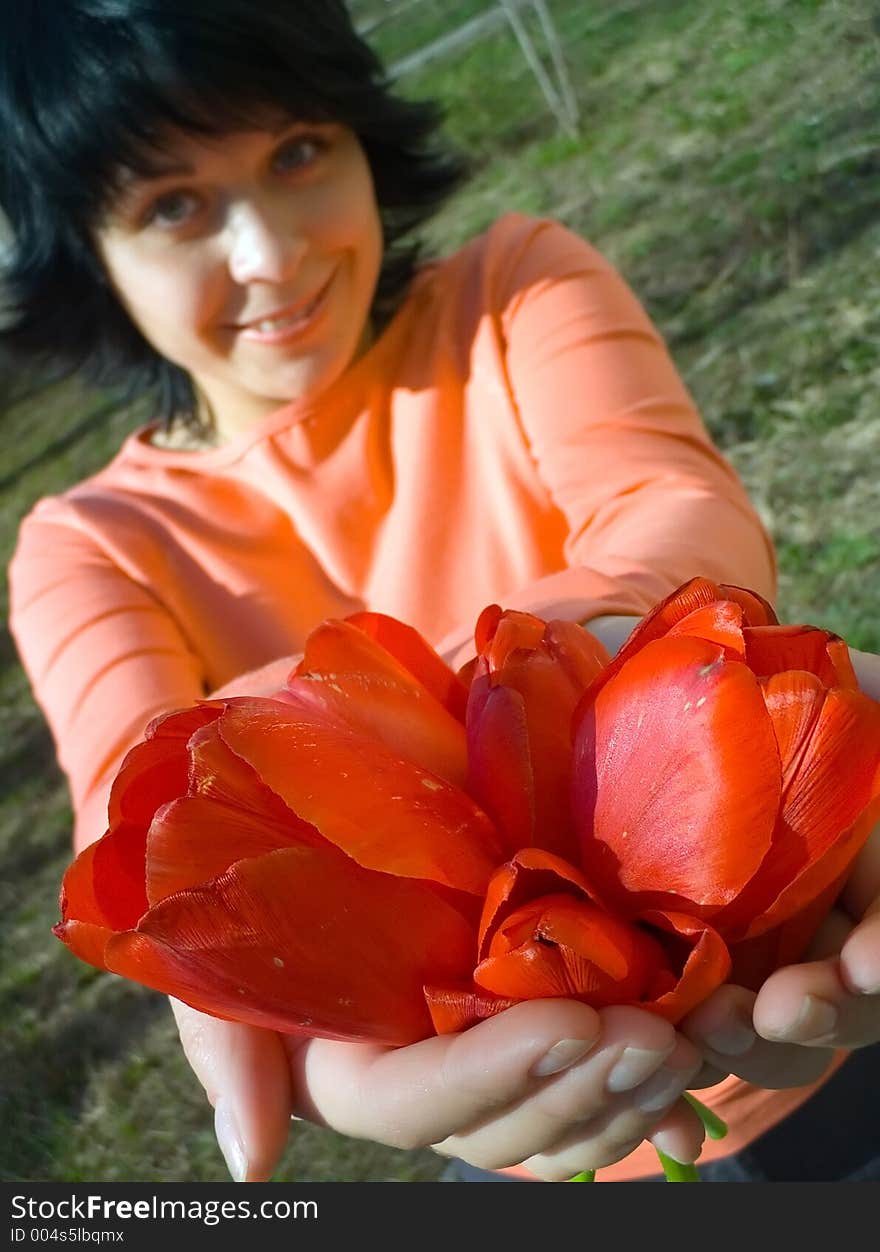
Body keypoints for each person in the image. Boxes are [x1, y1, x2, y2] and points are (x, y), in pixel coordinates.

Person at [3, 0, 879, 1184]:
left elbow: (672, 513)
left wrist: (392, 723)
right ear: (83, 255)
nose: (271, 253)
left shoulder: (512, 291)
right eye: (173, 207)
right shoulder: (89, 543)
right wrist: (540, 696)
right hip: (519, 1111)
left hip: (794, 987)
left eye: (297, 152)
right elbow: (134, 797)